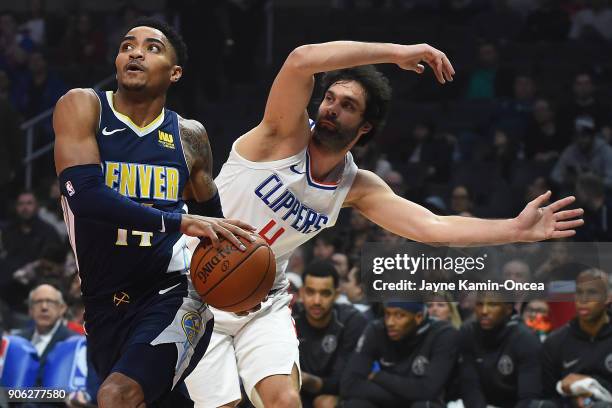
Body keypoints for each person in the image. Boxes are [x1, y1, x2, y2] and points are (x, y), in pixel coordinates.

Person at [185, 40, 583, 408]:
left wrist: (515, 229)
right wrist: (395, 54)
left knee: (286, 402)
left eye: (347, 105)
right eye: (329, 98)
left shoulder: (356, 187)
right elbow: (300, 60)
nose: (331, 108)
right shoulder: (281, 135)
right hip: (197, 285)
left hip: (263, 299)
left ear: (364, 128)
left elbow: (432, 227)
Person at [52, 17, 253, 407]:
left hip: (172, 292)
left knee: (117, 396)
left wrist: (239, 279)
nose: (136, 52)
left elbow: (213, 219)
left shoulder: (189, 136)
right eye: (127, 45)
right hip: (103, 301)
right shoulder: (83, 106)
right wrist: (178, 220)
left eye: (151, 48)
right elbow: (86, 196)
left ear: (174, 73)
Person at [340, 302, 458, 407]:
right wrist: (406, 397)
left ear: (418, 317)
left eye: (399, 315)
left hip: (420, 403)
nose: (390, 323)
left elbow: (428, 390)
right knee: (355, 404)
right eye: (387, 314)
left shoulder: (442, 334)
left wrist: (378, 376)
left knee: (424, 405)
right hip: (392, 400)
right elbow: (348, 385)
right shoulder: (376, 330)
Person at [293, 261, 367, 408]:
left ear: (336, 294)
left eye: (325, 293)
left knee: (325, 403)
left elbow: (346, 382)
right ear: (301, 293)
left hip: (335, 395)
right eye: (310, 292)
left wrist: (306, 379)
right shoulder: (288, 318)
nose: (317, 301)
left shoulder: (352, 321)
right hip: (296, 394)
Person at [542, 269, 612, 407]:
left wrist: (592, 385)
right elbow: (548, 396)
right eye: (579, 292)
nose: (583, 300)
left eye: (592, 293)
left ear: (608, 297)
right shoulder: (555, 342)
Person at [459, 293, 544, 407]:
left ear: (508, 309)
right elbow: (470, 386)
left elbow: (528, 396)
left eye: (492, 305)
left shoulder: (525, 338)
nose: (484, 311)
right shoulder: (468, 332)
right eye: (479, 304)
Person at [14, 283, 77, 385]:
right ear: (30, 310)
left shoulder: (73, 343)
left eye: (50, 302)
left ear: (62, 308)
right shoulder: (17, 340)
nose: (44, 307)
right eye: (38, 302)